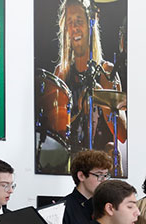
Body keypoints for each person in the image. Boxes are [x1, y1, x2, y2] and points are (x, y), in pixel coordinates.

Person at [51, 0, 126, 173]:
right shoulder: (60, 74)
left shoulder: (107, 72)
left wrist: (102, 99)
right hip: (70, 162)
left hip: (102, 164)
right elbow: (54, 130)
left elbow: (122, 135)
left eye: (79, 21)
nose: (75, 27)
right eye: (70, 23)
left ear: (90, 24)